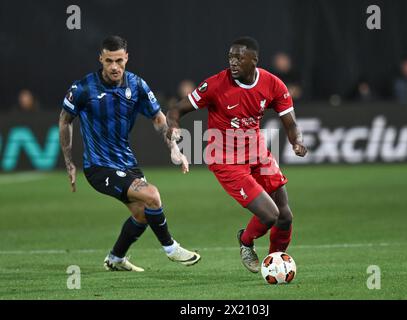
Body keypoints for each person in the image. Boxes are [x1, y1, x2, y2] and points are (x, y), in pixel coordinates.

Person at [58, 35, 201, 272]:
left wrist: (175, 150)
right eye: (109, 61)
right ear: (101, 59)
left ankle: (115, 258)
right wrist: (69, 162)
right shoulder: (83, 88)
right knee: (152, 195)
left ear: (127, 58)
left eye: (119, 61)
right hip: (98, 167)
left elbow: (158, 118)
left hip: (126, 162)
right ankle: (171, 248)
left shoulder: (136, 85)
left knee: (143, 214)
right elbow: (65, 120)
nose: (114, 67)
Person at [167, 37, 307, 273]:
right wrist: (173, 131)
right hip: (226, 160)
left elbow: (290, 123)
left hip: (257, 153)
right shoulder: (215, 85)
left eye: (239, 58)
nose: (233, 62)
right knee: (270, 214)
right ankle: (245, 241)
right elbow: (176, 110)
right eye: (230, 57)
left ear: (254, 60)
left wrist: (297, 142)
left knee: (285, 216)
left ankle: (275, 264)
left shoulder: (273, 84)